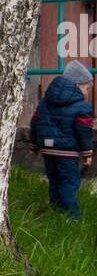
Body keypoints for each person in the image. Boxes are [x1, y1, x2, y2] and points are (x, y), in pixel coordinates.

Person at [29, 60, 94, 219]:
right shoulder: (82, 107)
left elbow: (36, 122)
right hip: (68, 153)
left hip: (48, 151)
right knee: (69, 184)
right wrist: (87, 153)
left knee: (55, 181)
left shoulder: (45, 102)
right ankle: (72, 217)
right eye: (86, 87)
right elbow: (84, 131)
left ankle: (55, 211)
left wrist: (34, 144)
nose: (87, 92)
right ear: (77, 85)